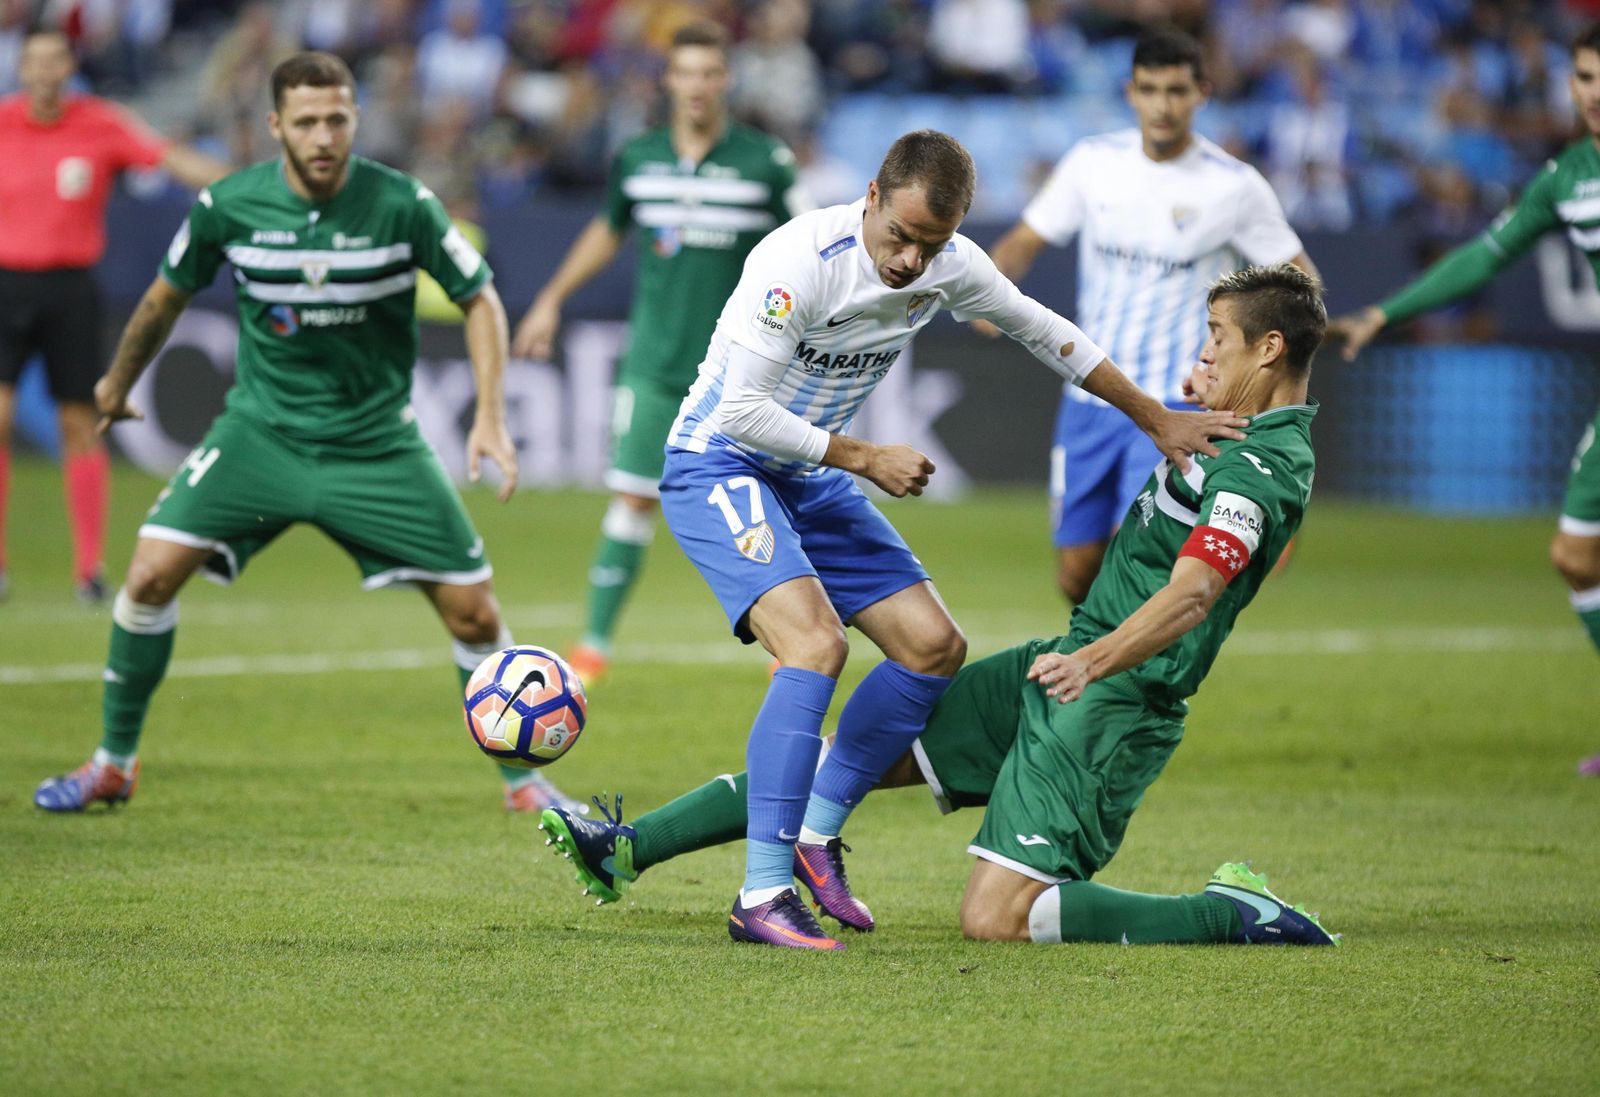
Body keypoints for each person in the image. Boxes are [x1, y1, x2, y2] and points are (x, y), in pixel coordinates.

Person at [542, 264, 1338, 949]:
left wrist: (1093, 662)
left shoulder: (1266, 468)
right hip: (1062, 663)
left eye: (1217, 339)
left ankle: (1229, 915)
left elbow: (1196, 590)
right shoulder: (1230, 428)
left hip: (1116, 697)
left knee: (997, 919)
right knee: (849, 755)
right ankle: (627, 848)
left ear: (1269, 349)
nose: (1202, 352)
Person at [645, 128, 1250, 950]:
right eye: (898, 236)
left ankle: (818, 834)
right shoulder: (797, 261)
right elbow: (740, 412)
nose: (909, 263)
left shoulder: (949, 262)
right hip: (720, 462)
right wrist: (865, 456)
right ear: (870, 197)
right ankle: (761, 892)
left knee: (932, 646)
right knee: (816, 646)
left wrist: (1154, 416)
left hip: (809, 471)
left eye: (930, 245)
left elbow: (1045, 331)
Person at [32, 51, 575, 816]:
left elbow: (480, 297)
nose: (324, 135)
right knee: (149, 574)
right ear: (275, 126)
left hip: (376, 445)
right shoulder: (228, 204)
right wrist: (118, 383)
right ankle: (113, 763)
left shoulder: (404, 204)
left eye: (338, 119)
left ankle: (525, 782)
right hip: (262, 436)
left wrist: (490, 413)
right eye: (308, 120)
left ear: (355, 118)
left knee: (476, 613)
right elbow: (162, 298)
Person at [1328, 23, 1600, 779]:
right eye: (1584, 76)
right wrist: (1386, 312)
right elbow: (1486, 253)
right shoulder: (1567, 178)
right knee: (1576, 556)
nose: (1595, 92)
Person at [977, 26, 1318, 604]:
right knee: (1076, 575)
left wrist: (1251, 371)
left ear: (1202, 93)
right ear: (1130, 92)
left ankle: (1117, 683)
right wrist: (989, 290)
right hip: (1091, 396)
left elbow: (1302, 284)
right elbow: (1024, 240)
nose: (1163, 105)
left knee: (1134, 555)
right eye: (1151, 89)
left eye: (1177, 91)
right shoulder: (1092, 163)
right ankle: (1105, 663)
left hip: (1175, 403)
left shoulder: (1234, 187)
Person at [513, 22, 807, 686]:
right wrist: (551, 297)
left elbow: (809, 239)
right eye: (687, 73)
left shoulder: (766, 162)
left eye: (710, 73)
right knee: (631, 499)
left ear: (725, 80)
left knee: (762, 502)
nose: (698, 85)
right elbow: (607, 229)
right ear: (667, 81)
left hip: (741, 369)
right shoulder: (639, 159)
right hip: (653, 362)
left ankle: (787, 642)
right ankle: (592, 645)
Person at [0, 27, 229, 604]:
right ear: (22, 69)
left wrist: (244, 185)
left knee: (79, 422)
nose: (45, 71)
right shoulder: (3, 122)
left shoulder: (98, 123)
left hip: (71, 287)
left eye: (56, 60)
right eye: (35, 61)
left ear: (69, 66)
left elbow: (168, 159)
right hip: (6, 284)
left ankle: (89, 570)